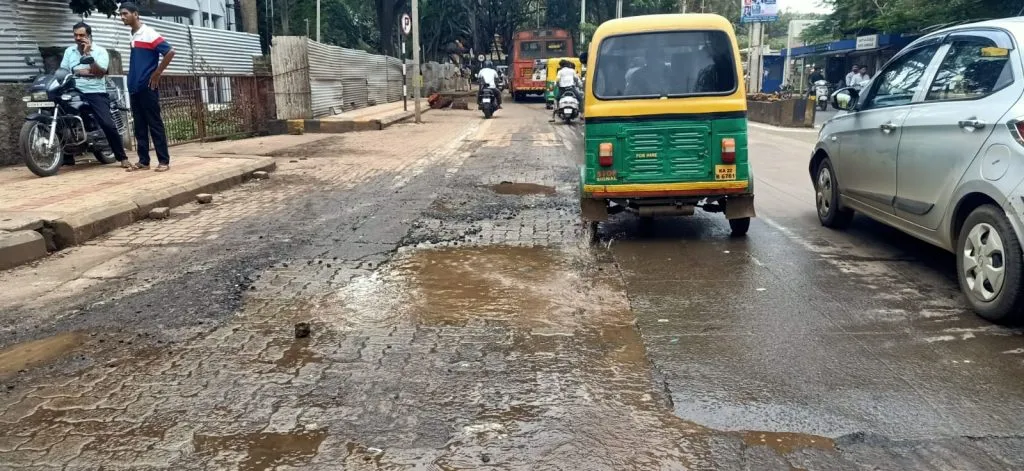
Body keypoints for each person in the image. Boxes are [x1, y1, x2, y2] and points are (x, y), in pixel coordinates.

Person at [59, 22, 131, 168]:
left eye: (81, 35)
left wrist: (88, 55)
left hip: (95, 92)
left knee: (107, 124)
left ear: (89, 36)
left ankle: (122, 157)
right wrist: (80, 72)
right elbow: (64, 71)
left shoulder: (100, 51)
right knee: (60, 115)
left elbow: (99, 73)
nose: (78, 38)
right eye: (75, 35)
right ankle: (67, 156)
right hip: (74, 90)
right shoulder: (69, 51)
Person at [120, 2, 176, 172]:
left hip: (147, 86)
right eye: (120, 14)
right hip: (135, 87)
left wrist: (157, 73)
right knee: (139, 125)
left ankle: (164, 161)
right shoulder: (133, 34)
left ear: (135, 14)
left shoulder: (148, 33)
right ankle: (143, 161)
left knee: (154, 124)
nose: (122, 17)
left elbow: (170, 51)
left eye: (125, 14)